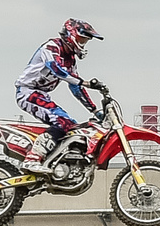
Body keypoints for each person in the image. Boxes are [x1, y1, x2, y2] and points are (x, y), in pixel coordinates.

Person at [15, 19, 105, 170]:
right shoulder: (51, 47)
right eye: (82, 40)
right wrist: (85, 82)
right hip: (27, 92)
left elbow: (75, 87)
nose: (83, 44)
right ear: (71, 35)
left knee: (72, 126)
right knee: (63, 121)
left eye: (85, 41)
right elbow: (56, 69)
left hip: (41, 94)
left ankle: (56, 163)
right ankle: (32, 159)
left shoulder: (70, 60)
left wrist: (95, 110)